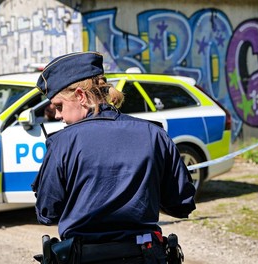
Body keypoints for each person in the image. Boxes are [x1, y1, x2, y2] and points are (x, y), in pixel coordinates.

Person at [31, 51, 196, 264]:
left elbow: (47, 213)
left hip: (84, 257)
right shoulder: (153, 134)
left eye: (59, 106)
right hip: (145, 255)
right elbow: (182, 204)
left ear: (81, 96)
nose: (57, 115)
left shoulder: (62, 143)